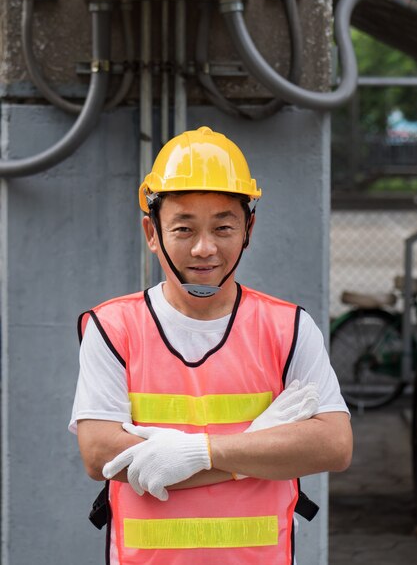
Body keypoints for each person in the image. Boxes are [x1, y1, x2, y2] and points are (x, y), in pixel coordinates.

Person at [69, 126, 352, 565]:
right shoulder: (112, 327)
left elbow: (334, 445)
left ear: (249, 229)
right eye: (183, 228)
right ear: (151, 231)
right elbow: (101, 455)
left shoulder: (289, 327)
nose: (205, 249)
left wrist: (196, 454)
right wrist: (260, 449)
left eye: (223, 227)